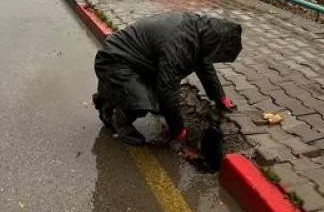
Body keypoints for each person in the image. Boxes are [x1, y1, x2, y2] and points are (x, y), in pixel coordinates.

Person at [92, 12, 242, 146]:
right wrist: (178, 129)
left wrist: (219, 96)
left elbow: (204, 64)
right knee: (151, 101)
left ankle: (108, 99)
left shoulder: (199, 31)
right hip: (113, 62)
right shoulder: (179, 45)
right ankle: (121, 121)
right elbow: (167, 89)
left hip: (136, 64)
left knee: (155, 96)